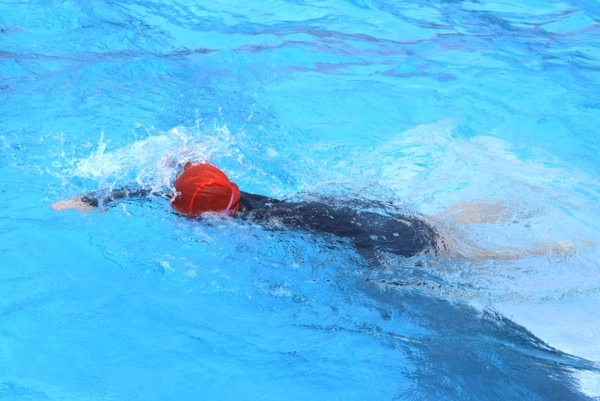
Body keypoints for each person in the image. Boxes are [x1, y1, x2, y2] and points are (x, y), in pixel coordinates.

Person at [52, 163, 578, 261]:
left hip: (377, 235)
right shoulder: (238, 196)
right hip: (355, 211)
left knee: (469, 257)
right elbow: (166, 183)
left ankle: (557, 249)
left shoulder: (251, 226)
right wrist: (96, 198)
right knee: (448, 223)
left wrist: (375, 267)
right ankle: (521, 201)